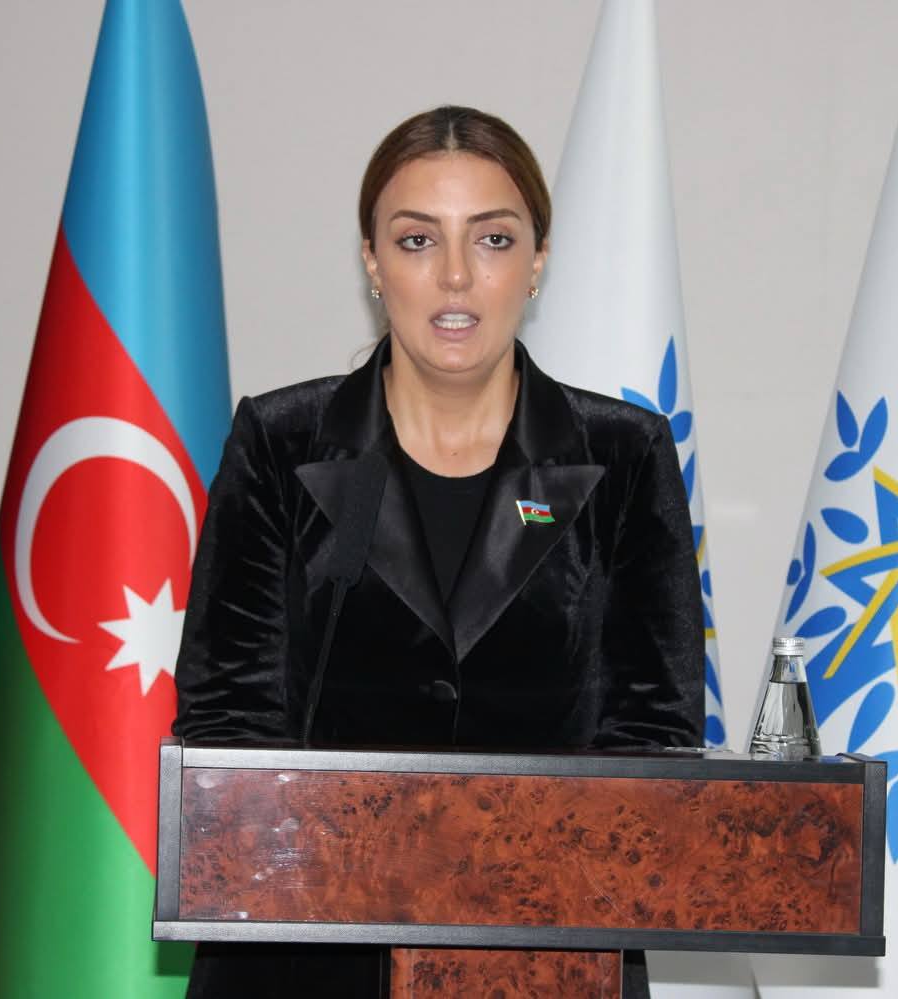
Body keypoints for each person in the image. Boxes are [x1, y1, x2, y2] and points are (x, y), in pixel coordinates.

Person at [173, 105, 704, 998]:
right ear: (372, 262)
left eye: (492, 239)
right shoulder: (280, 441)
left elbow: (653, 737)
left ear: (536, 261)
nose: (455, 275)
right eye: (417, 240)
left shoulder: (622, 454)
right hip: (304, 947)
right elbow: (228, 718)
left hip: (549, 948)